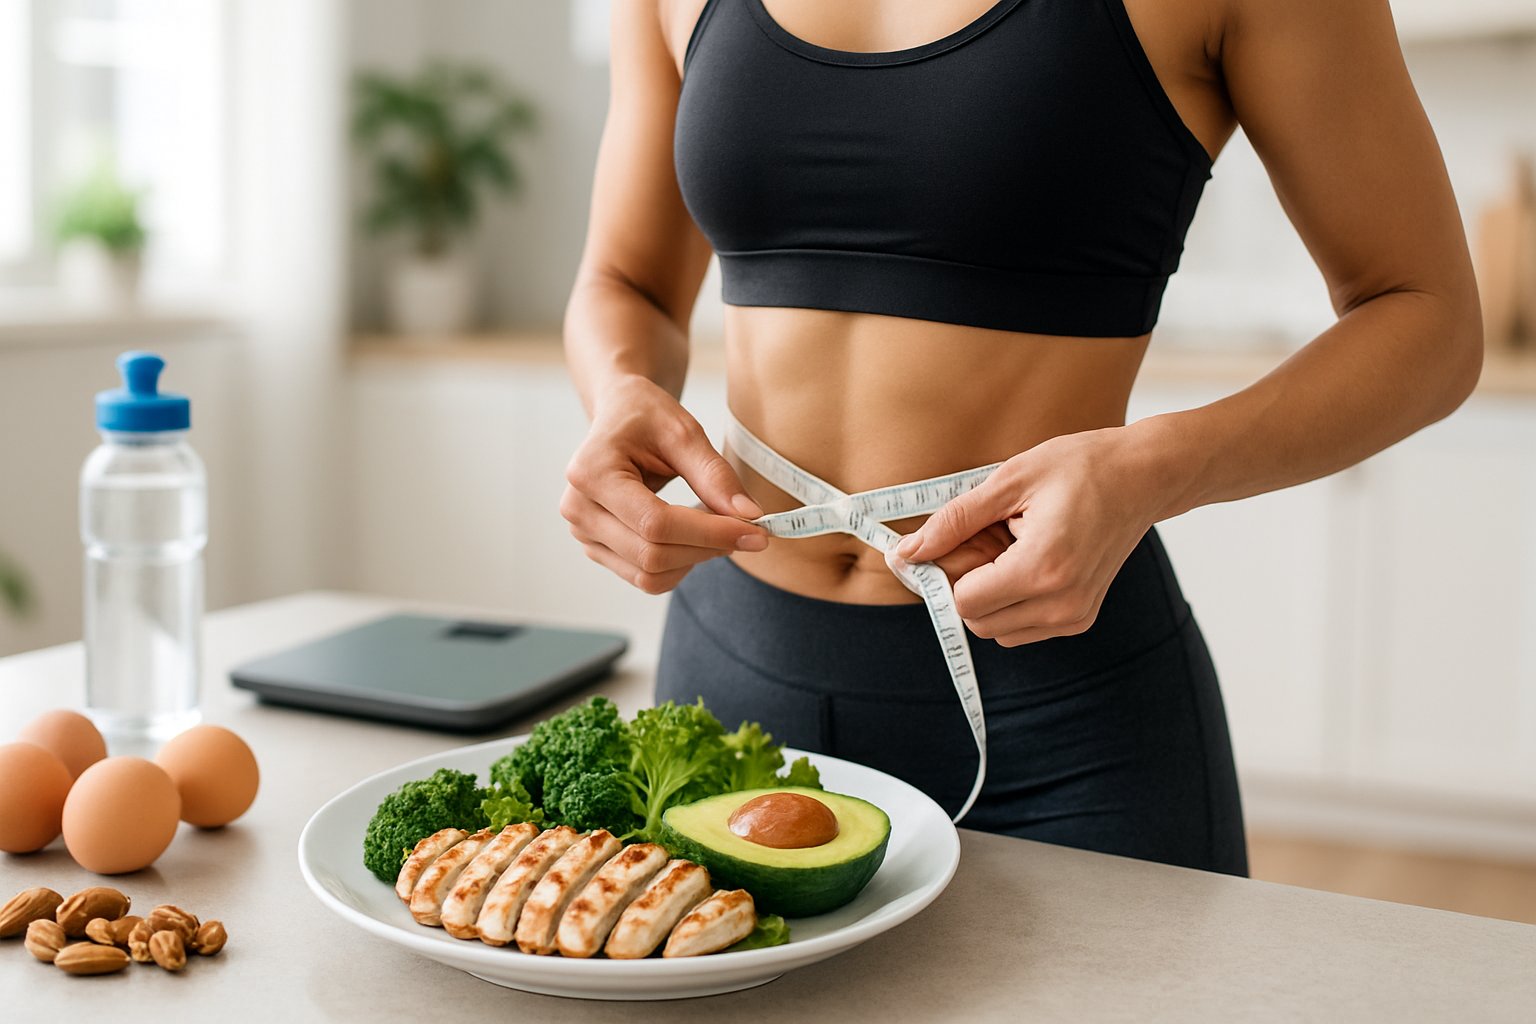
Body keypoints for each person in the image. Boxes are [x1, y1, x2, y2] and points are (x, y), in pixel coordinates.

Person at [559, 0, 1482, 877]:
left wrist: (1152, 467)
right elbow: (624, 281)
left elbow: (1429, 320)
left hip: (1061, 721)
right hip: (730, 676)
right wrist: (617, 394)